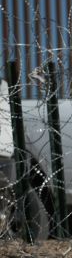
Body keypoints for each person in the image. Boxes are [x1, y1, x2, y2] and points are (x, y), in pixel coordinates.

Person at [0, 79, 12, 235]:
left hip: (3, 150)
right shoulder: (5, 86)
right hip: (5, 149)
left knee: (4, 198)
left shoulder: (4, 87)